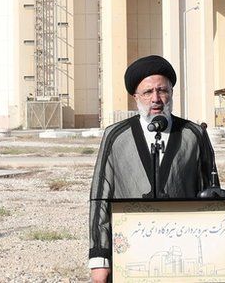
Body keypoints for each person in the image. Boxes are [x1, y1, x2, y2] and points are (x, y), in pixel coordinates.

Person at [88, 55, 217, 283]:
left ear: (171, 93)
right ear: (135, 97)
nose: (156, 99)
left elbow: (211, 194)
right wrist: (100, 257)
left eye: (162, 90)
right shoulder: (116, 136)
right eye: (148, 92)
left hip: (182, 252)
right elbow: (101, 197)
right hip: (130, 252)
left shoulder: (193, 134)